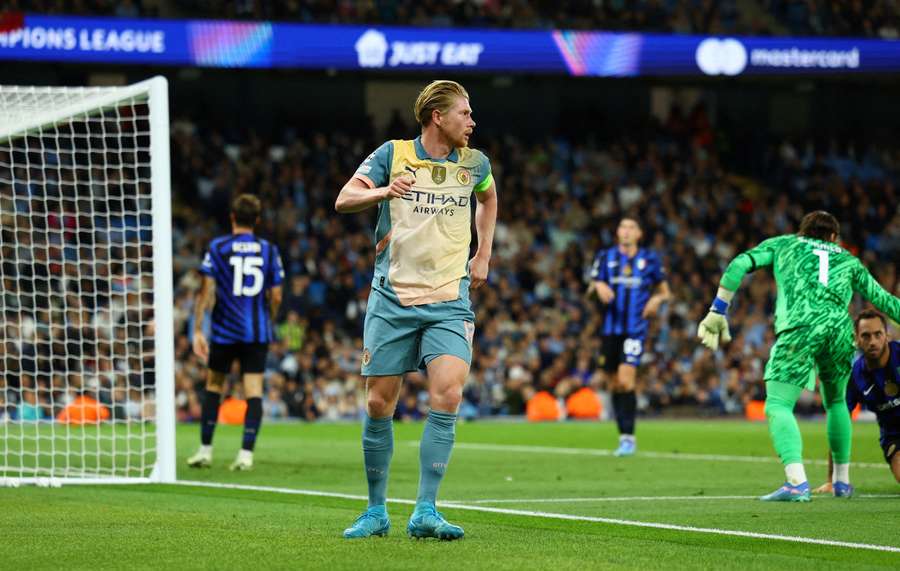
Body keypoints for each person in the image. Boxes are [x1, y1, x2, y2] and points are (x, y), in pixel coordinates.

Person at [334, 79, 498, 540]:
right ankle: (375, 511)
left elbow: (488, 198)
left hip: (450, 298)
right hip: (393, 297)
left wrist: (483, 252)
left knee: (447, 394)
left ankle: (426, 510)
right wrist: (383, 191)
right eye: (464, 113)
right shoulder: (393, 153)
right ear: (437, 118)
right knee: (378, 402)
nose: (472, 121)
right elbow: (344, 199)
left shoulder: (475, 163)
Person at [697, 211, 900, 501]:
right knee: (838, 402)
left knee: (778, 404)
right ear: (833, 237)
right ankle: (841, 482)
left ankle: (795, 482)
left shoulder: (785, 244)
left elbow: (738, 264)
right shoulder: (848, 259)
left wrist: (717, 310)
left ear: (801, 233)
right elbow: (884, 301)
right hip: (841, 331)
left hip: (801, 327)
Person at [187, 194, 284, 471]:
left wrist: (197, 330)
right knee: (253, 391)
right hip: (256, 332)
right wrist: (270, 319)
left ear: (232, 217)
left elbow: (206, 290)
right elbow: (276, 296)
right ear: (257, 220)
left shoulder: (218, 247)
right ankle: (245, 455)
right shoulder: (268, 250)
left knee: (214, 387)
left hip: (224, 331)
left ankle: (205, 451)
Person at [590, 217, 670, 456]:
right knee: (614, 383)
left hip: (635, 329)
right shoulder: (605, 257)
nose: (626, 231)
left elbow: (665, 292)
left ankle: (629, 439)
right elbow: (589, 290)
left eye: (631, 227)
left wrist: (656, 299)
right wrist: (597, 286)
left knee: (626, 380)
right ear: (617, 232)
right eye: (622, 227)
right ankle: (624, 437)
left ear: (639, 234)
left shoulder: (650, 259)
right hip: (609, 329)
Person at [814, 310, 900, 494]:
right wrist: (831, 479)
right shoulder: (855, 376)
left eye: (878, 334)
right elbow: (840, 424)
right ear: (857, 340)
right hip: (894, 437)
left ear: (887, 335)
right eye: (866, 336)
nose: (873, 341)